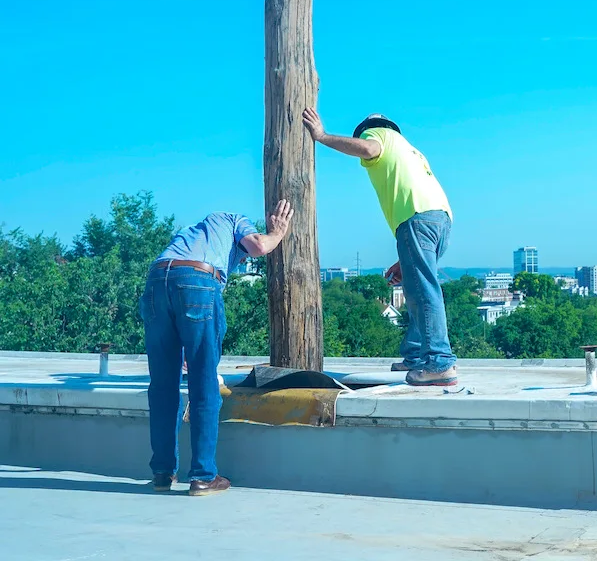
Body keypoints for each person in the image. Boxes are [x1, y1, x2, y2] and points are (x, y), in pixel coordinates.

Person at [141, 201, 294, 496]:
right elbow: (258, 246)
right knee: (204, 383)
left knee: (163, 386)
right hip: (197, 281)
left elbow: (176, 284)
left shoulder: (188, 234)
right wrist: (277, 233)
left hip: (157, 280)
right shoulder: (233, 219)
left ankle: (162, 473)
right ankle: (202, 476)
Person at [302, 107, 457, 386]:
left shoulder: (379, 134)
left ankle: (439, 362)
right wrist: (405, 259)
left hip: (417, 217)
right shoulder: (410, 149)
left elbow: (368, 148)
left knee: (423, 291)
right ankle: (416, 357)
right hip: (440, 219)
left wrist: (322, 136)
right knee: (416, 288)